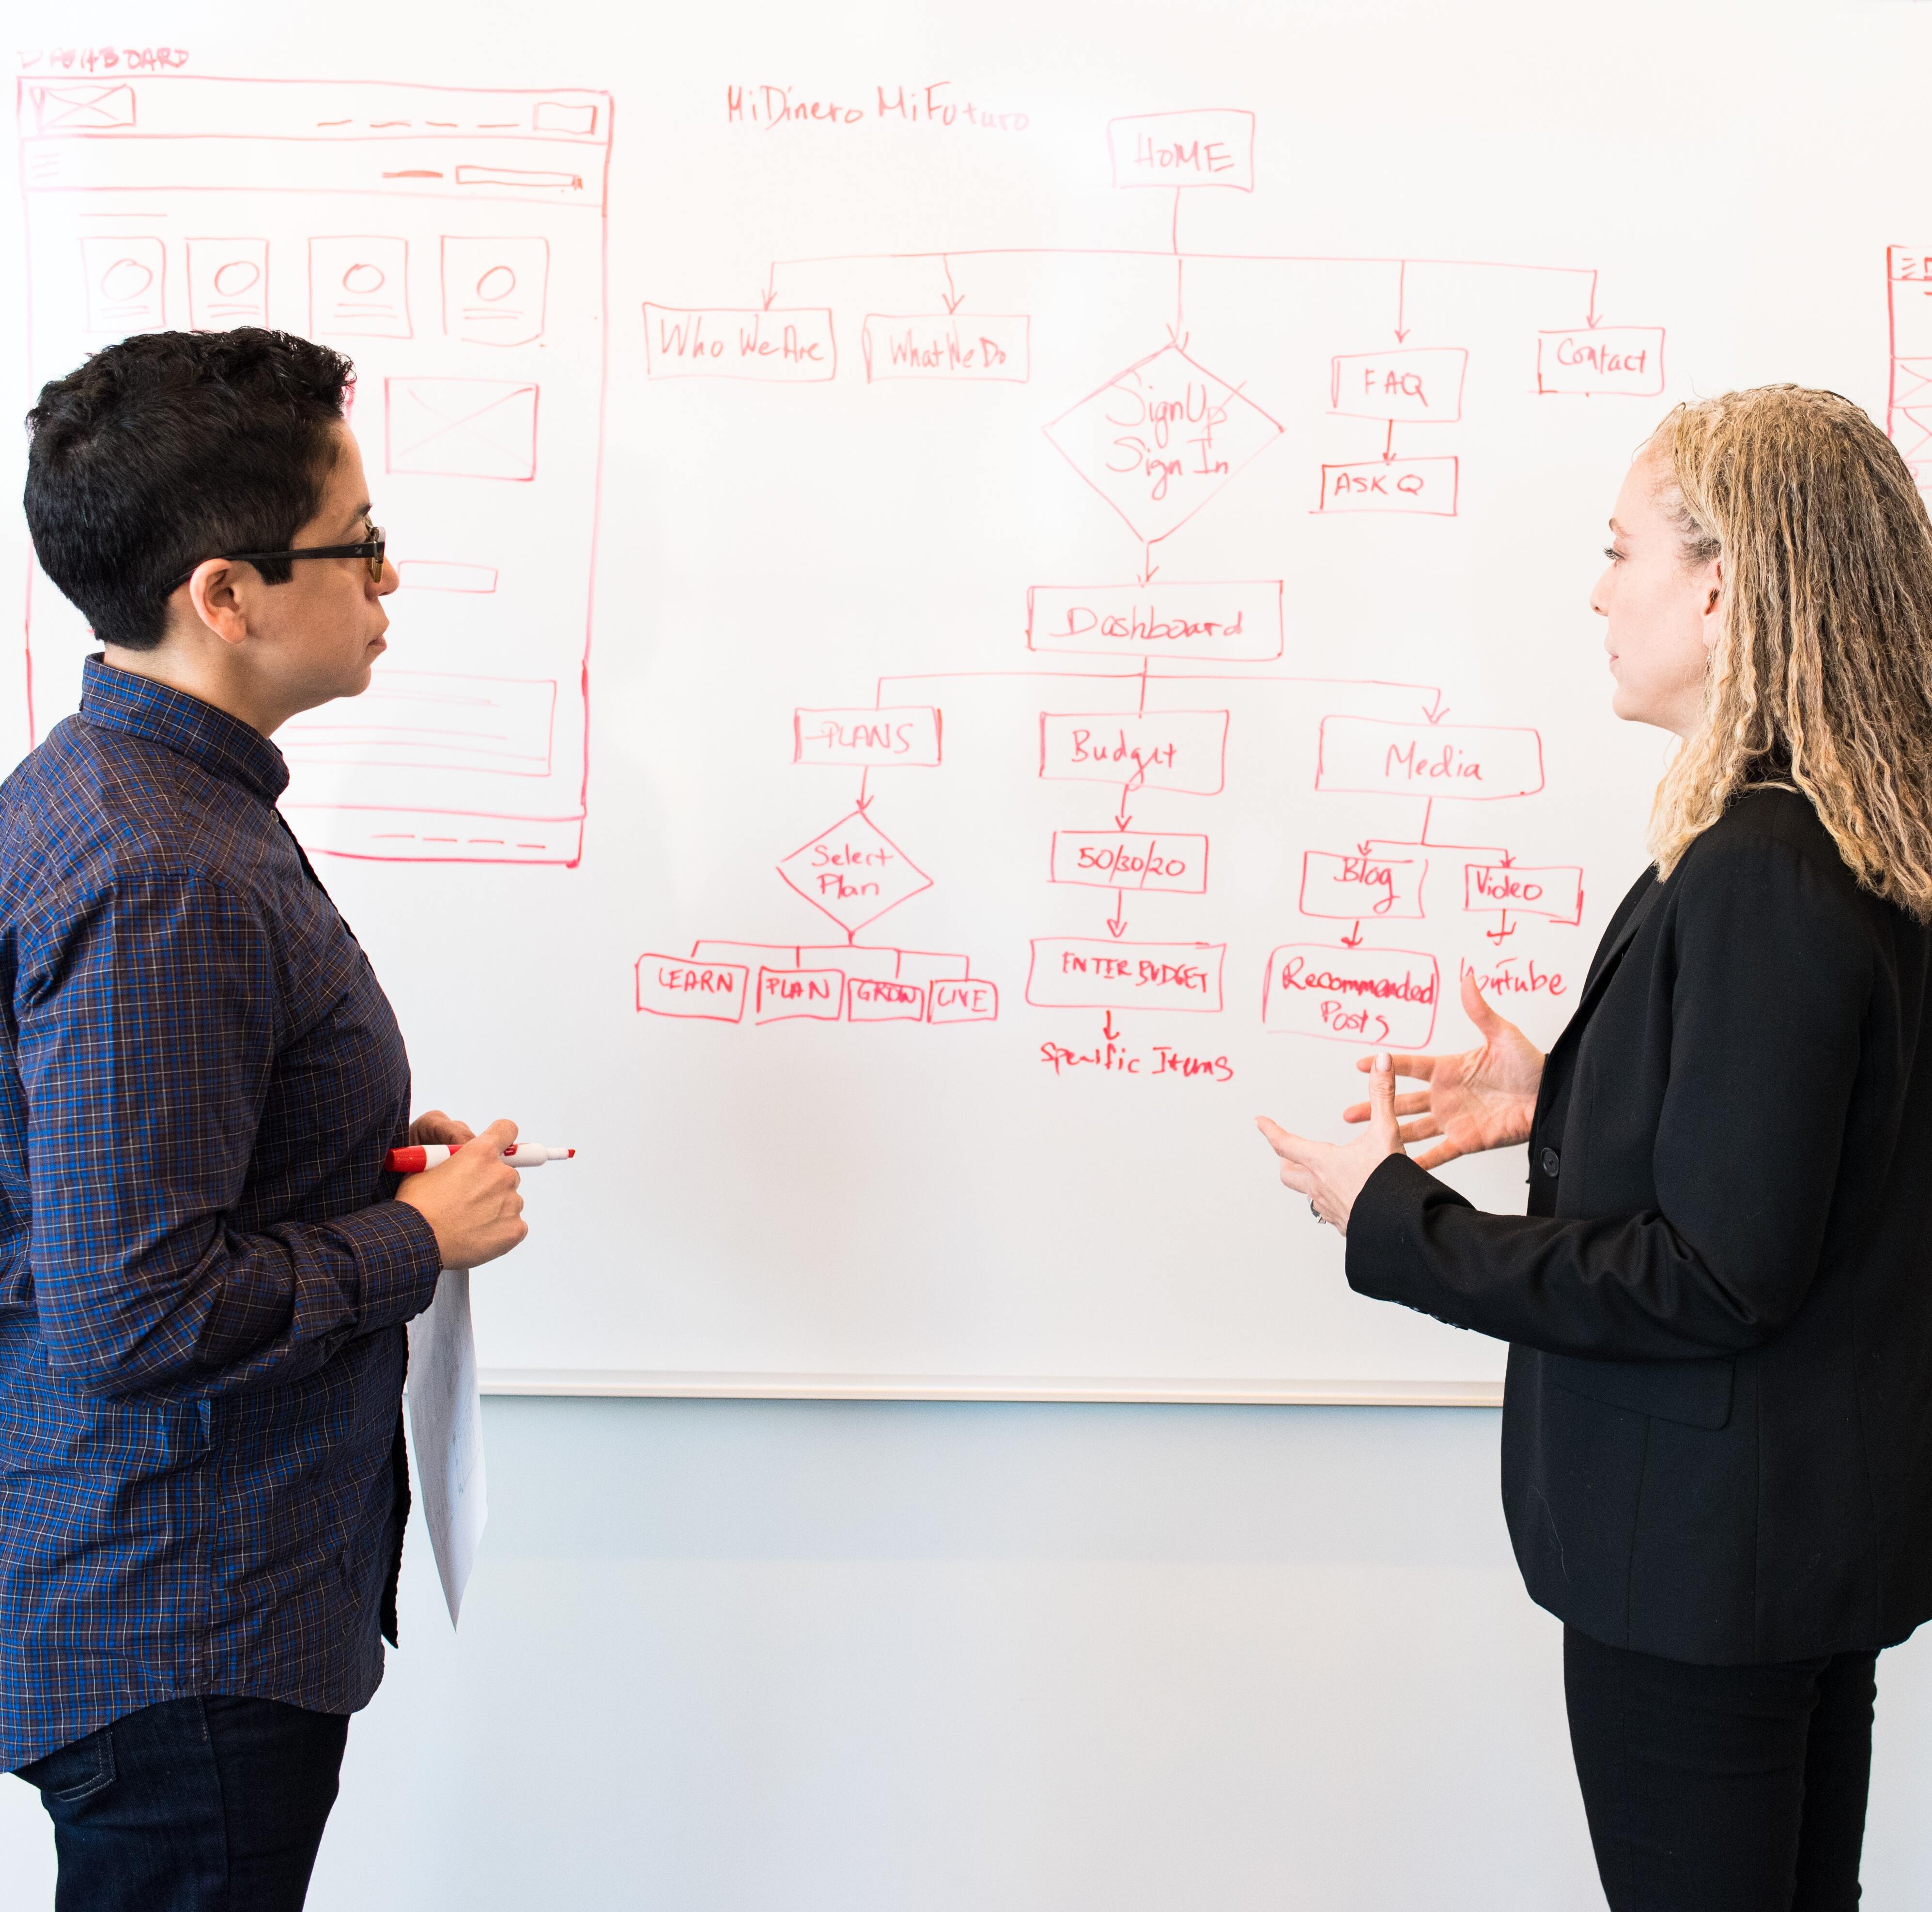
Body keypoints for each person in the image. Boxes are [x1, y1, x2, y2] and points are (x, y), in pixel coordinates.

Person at [1256, 385, 1932, 1912]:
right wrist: (1557, 1095)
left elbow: (1712, 1273)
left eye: (1620, 549)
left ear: (1723, 585)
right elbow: (1800, 1152)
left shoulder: (1765, 864)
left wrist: (1394, 1217)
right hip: (1794, 1549)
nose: (1595, 589)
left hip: (1709, 1576)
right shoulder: (1858, 833)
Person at [2, 328, 531, 1910]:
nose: (387, 577)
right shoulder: (164, 871)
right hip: (185, 1629)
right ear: (225, 596)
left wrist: (345, 1166)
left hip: (165, 1606)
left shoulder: (136, 797)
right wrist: (411, 1239)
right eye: (357, 544)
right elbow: (138, 1303)